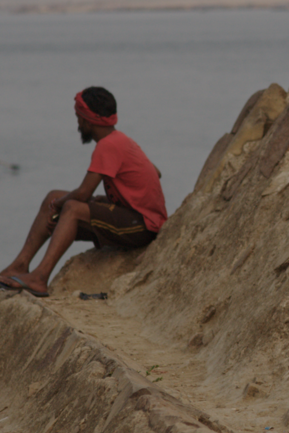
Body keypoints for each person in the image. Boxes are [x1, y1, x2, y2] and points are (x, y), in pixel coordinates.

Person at [0, 87, 167, 297]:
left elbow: (82, 195)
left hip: (142, 228)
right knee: (53, 196)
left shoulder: (108, 145)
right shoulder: (121, 140)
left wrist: (60, 205)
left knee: (71, 207)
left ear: (88, 121)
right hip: (132, 219)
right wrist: (108, 200)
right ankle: (19, 265)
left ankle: (39, 277)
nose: (78, 124)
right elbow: (156, 173)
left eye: (79, 118)